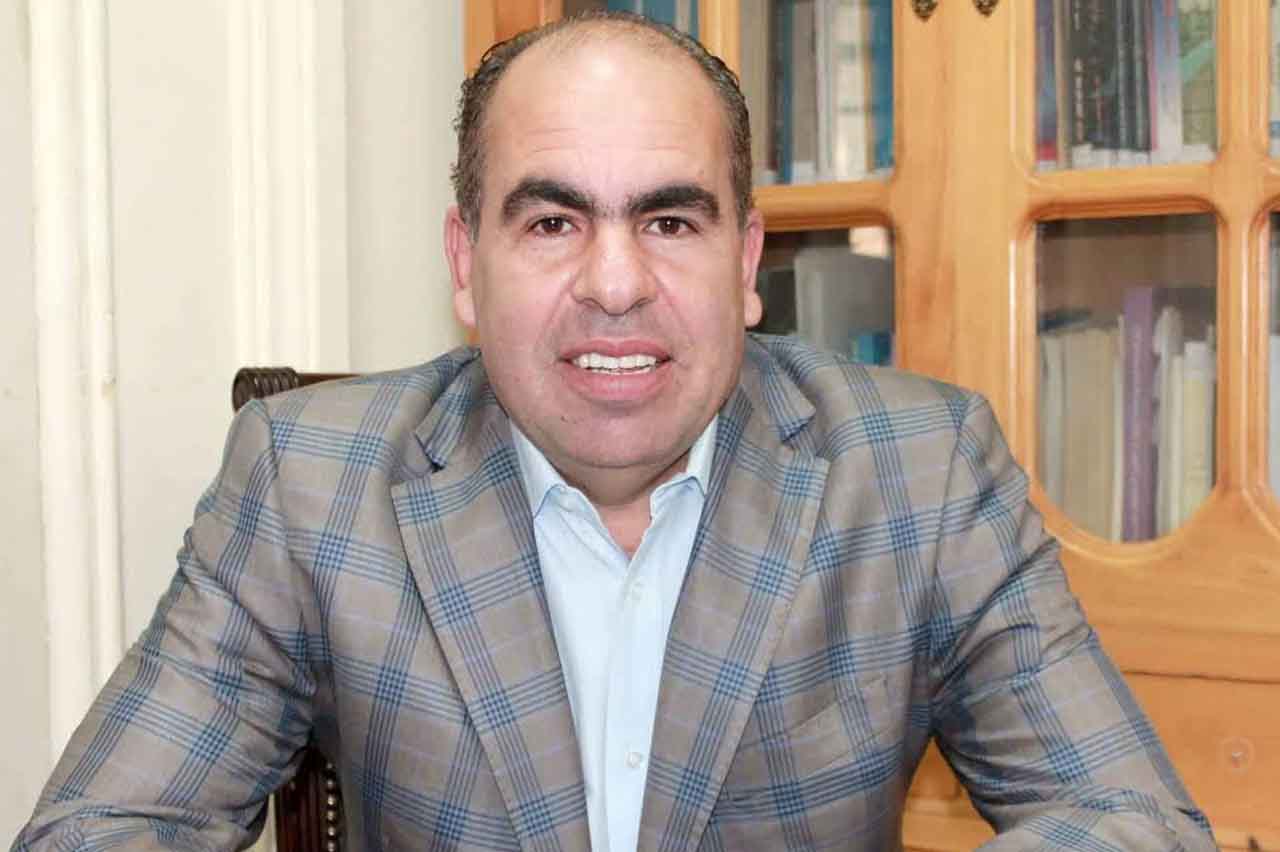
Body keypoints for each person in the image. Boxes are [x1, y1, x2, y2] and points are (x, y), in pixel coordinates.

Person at [15, 11, 1214, 852]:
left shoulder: (919, 472)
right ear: (464, 263)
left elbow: (1127, 820)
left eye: (670, 222)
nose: (614, 283)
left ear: (745, 262)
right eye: (551, 223)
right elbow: (104, 829)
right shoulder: (309, 483)